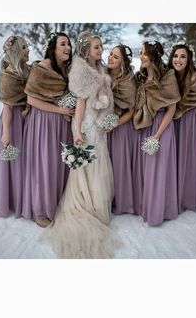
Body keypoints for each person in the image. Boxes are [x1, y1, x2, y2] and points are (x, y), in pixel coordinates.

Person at [42, 31, 121, 258]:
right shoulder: (80, 70)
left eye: (101, 46)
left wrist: (107, 119)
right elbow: (79, 105)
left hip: (99, 125)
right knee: (89, 163)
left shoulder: (102, 69)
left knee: (100, 163)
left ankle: (98, 205)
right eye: (97, 47)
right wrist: (77, 131)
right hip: (86, 125)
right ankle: (86, 206)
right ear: (87, 49)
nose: (101, 50)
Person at [22, 32, 74, 227]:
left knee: (59, 164)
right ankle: (41, 209)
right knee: (44, 164)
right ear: (53, 48)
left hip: (61, 123)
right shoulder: (41, 68)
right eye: (63, 44)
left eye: (68, 44)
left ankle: (57, 202)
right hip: (43, 122)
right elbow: (31, 99)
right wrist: (61, 109)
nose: (67, 47)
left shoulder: (66, 70)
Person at [132, 40, 180, 226]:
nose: (141, 56)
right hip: (144, 126)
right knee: (146, 171)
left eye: (144, 53)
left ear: (153, 55)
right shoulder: (141, 78)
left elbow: (171, 109)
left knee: (158, 170)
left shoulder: (168, 77)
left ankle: (158, 212)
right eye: (141, 53)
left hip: (161, 127)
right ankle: (145, 206)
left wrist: (157, 136)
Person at [168, 42, 196, 213]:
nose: (178, 60)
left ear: (189, 60)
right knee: (177, 155)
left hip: (193, 119)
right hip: (177, 118)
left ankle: (191, 198)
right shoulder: (170, 75)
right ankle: (177, 194)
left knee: (191, 157)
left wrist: (190, 106)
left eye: (183, 56)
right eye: (176, 56)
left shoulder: (195, 77)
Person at [0, 35, 30, 218]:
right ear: (17, 51)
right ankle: (15, 202)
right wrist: (6, 132)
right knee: (15, 163)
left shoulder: (25, 69)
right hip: (13, 120)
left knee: (25, 161)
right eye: (25, 47)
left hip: (24, 117)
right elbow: (7, 106)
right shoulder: (9, 73)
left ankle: (25, 198)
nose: (28, 50)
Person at [107, 44, 137, 214]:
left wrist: (114, 124)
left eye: (116, 57)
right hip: (102, 128)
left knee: (119, 165)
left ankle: (122, 202)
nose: (110, 58)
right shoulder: (103, 74)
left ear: (123, 62)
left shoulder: (128, 81)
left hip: (122, 128)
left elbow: (132, 111)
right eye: (111, 54)